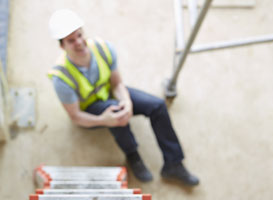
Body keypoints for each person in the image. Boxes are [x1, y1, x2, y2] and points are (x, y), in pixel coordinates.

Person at [48, 9, 199, 186]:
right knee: (116, 112)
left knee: (157, 106)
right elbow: (75, 117)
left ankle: (173, 163)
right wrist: (103, 120)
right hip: (90, 111)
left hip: (111, 95)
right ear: (62, 46)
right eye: (71, 41)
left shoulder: (103, 49)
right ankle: (132, 155)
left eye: (80, 35)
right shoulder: (61, 78)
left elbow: (117, 84)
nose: (79, 43)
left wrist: (127, 102)